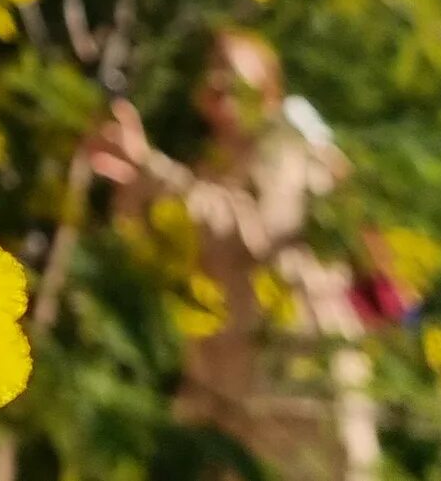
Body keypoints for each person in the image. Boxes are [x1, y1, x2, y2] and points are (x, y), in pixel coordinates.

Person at [88, 31, 379, 481]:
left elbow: (257, 231)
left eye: (229, 64)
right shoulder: (211, 166)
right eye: (210, 67)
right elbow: (160, 248)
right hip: (228, 388)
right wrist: (128, 184)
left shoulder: (283, 141)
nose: (217, 77)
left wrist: (150, 169)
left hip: (300, 373)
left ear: (266, 82)